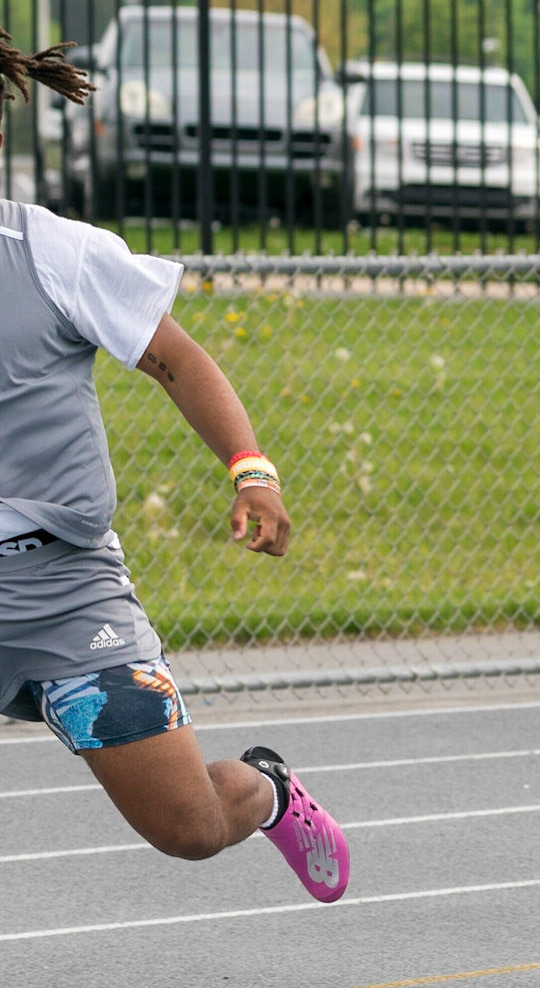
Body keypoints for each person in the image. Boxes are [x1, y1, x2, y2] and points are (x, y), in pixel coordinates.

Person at [0, 32, 349, 902]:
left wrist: (251, 470)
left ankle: (267, 790)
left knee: (188, 826)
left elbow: (179, 361)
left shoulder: (52, 253)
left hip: (62, 590)